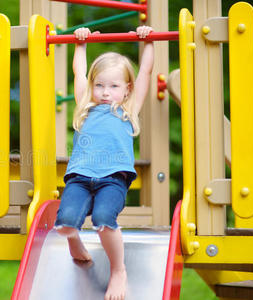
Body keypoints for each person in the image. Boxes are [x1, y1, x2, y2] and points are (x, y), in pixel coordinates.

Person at [54, 26, 154, 300]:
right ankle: (75, 243)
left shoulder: (127, 111)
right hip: (80, 177)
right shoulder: (85, 107)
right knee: (64, 222)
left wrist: (148, 42)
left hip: (113, 179)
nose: (105, 91)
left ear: (126, 90)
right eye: (99, 85)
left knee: (103, 219)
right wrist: (80, 44)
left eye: (113, 86)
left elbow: (144, 74)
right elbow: (78, 73)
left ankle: (118, 270)